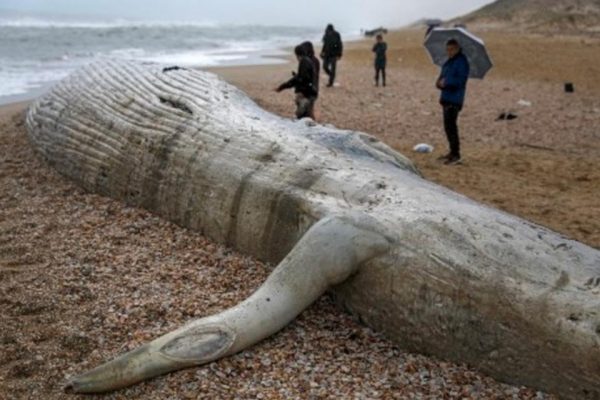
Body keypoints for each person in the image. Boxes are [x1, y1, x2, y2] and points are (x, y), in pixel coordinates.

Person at [436, 38, 470, 165]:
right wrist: (439, 82)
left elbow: (461, 81)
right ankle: (452, 152)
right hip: (446, 97)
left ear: (457, 48)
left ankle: (456, 154)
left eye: (451, 49)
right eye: (447, 50)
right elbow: (442, 77)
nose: (449, 52)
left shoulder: (461, 62)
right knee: (448, 127)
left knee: (451, 127)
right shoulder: (449, 62)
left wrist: (446, 83)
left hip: (454, 99)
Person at [275, 44, 318, 119]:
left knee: (302, 115)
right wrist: (282, 87)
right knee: (308, 114)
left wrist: (301, 92)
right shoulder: (308, 61)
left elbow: (303, 78)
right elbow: (302, 77)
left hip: (306, 93)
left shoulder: (304, 62)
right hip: (311, 91)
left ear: (297, 54)